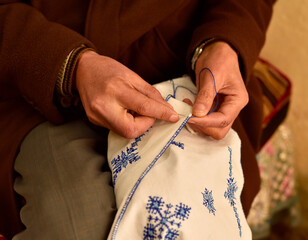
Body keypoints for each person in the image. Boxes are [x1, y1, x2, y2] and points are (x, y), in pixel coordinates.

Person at [0, 0, 275, 239]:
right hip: (34, 82)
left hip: (180, 71)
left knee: (200, 220)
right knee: (82, 229)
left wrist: (224, 41)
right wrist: (71, 65)